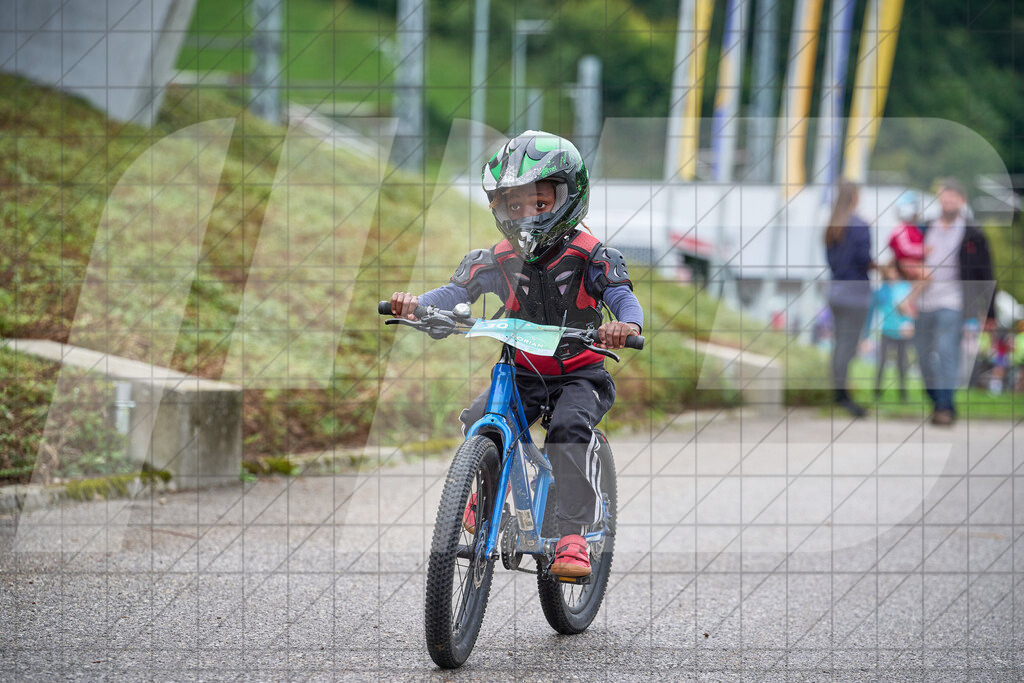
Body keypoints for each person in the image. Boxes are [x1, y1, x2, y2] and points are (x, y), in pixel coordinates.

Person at [388, 131, 643, 578]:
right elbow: (456, 292)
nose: (527, 215)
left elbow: (622, 297)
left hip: (579, 375)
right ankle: (484, 491)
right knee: (479, 417)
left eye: (540, 203)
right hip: (521, 373)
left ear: (570, 196)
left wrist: (626, 325)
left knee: (567, 431)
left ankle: (573, 533)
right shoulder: (498, 258)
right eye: (515, 205)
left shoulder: (593, 256)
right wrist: (418, 306)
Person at [914, 177, 996, 425]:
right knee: (922, 356)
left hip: (954, 301)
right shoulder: (925, 228)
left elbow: (986, 273)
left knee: (946, 351)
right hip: (923, 301)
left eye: (952, 199)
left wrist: (990, 312)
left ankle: (944, 407)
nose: (947, 203)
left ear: (962, 201)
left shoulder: (973, 233)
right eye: (944, 198)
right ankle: (939, 400)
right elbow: (906, 257)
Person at [825, 179, 874, 418]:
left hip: (836, 292)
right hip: (855, 295)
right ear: (855, 196)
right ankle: (842, 397)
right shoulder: (860, 225)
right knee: (847, 346)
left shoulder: (831, 225)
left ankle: (837, 393)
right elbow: (864, 259)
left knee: (839, 345)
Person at [868, 262, 915, 401]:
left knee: (902, 363)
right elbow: (873, 309)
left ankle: (903, 394)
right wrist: (869, 336)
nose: (893, 273)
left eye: (896, 270)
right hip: (886, 330)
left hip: (902, 332)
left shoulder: (905, 287)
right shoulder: (882, 290)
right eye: (891, 270)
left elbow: (911, 308)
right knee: (882, 361)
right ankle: (877, 391)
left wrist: (909, 323)